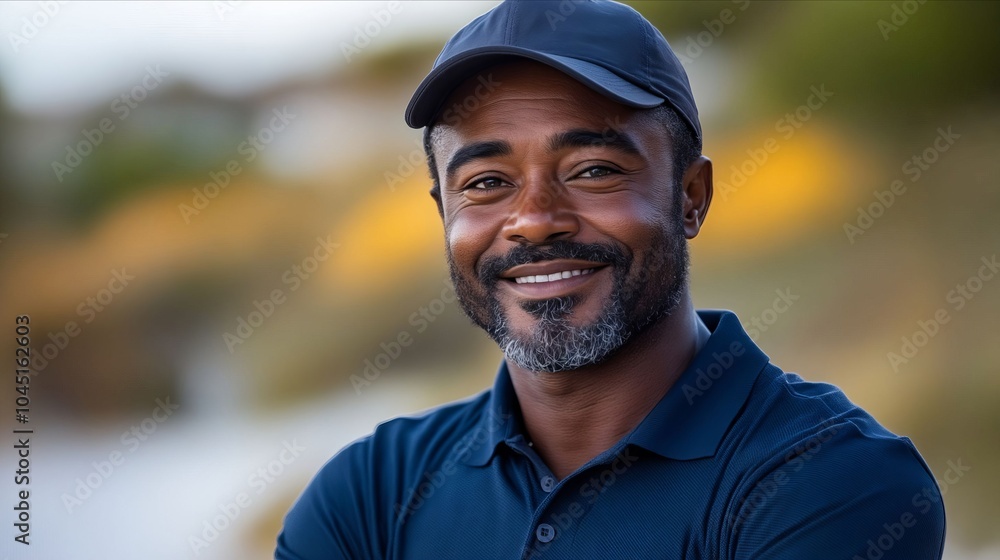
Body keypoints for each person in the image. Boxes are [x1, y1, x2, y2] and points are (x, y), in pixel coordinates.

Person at [276, 1, 946, 558]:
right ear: (444, 215)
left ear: (691, 196)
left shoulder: (833, 483)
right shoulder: (368, 495)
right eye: (485, 183)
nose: (534, 222)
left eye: (593, 169)